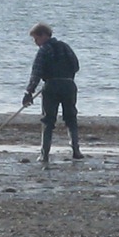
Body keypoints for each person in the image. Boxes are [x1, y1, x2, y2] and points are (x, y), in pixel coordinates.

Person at [22, 22, 84, 163]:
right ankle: (76, 150)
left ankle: (44, 155)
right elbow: (76, 66)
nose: (35, 43)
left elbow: (36, 73)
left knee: (48, 120)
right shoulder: (65, 47)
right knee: (71, 118)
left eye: (36, 39)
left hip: (51, 86)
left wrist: (29, 92)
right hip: (69, 85)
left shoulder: (44, 50)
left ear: (44, 35)